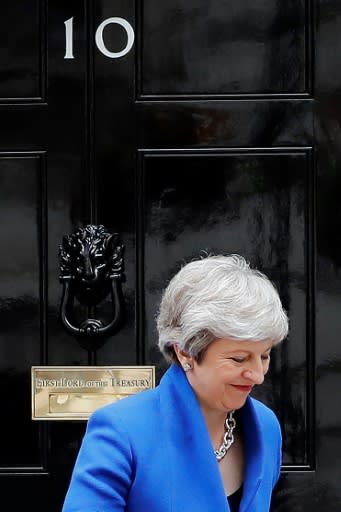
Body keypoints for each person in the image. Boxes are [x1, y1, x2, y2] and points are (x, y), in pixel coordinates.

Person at [62, 254, 289, 512]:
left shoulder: (266, 426)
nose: (258, 375)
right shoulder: (122, 431)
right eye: (239, 359)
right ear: (185, 352)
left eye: (264, 355)